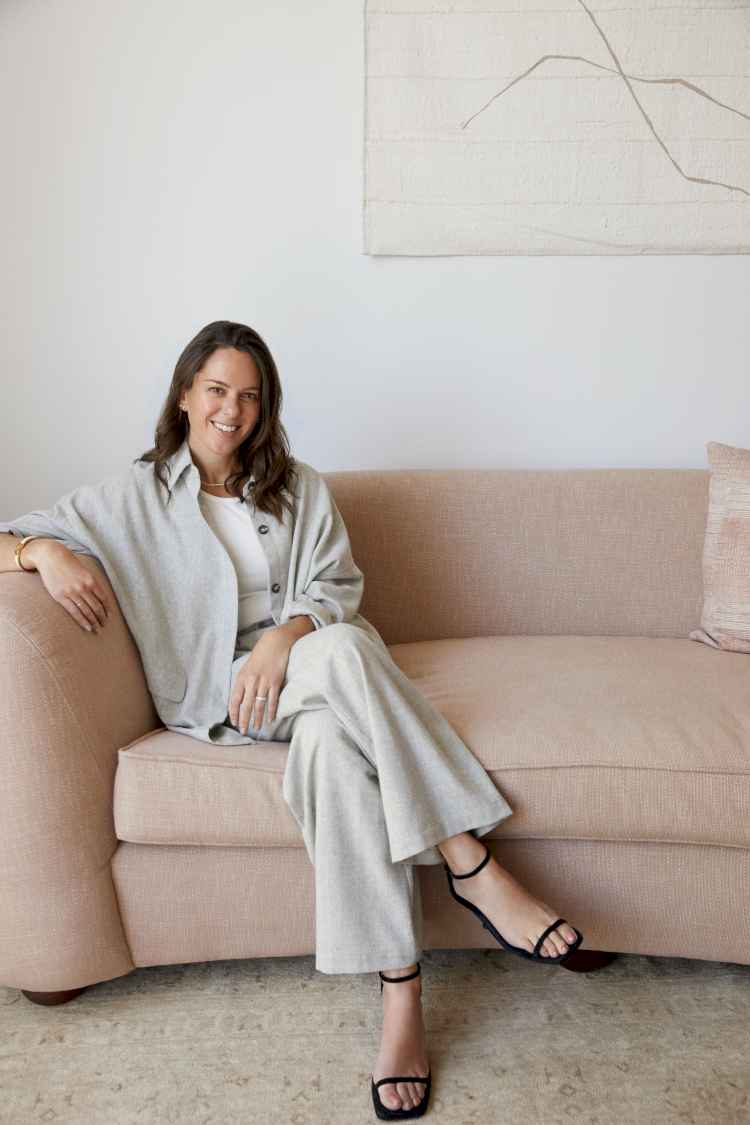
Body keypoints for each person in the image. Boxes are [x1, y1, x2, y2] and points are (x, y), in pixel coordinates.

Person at [0, 320, 583, 1119]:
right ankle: (469, 856)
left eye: (249, 395)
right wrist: (40, 552)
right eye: (216, 390)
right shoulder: (129, 498)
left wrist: (284, 637)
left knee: (335, 731)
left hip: (316, 675)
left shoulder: (299, 486)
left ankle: (402, 998)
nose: (231, 410)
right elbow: (5, 538)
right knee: (344, 654)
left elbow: (337, 588)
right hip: (227, 698)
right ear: (184, 393)